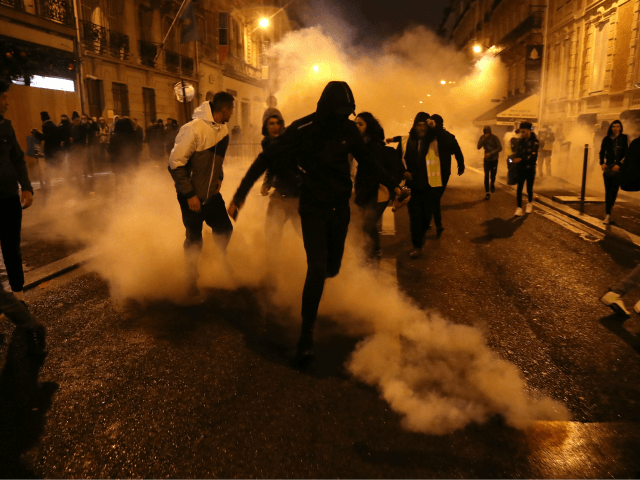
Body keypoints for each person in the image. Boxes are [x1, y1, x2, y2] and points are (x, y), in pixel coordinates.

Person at [228, 81, 405, 366]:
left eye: (349, 112)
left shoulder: (348, 130)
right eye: (341, 111)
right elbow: (266, 158)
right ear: (327, 108)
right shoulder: (302, 129)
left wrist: (395, 185)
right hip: (312, 209)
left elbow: (369, 161)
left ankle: (315, 291)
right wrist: (239, 195)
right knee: (318, 268)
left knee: (331, 269)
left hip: (339, 212)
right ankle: (305, 337)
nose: (345, 118)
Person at [169, 92, 235, 298]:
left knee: (225, 228)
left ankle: (218, 262)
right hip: (192, 197)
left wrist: (219, 177)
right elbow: (175, 165)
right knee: (194, 238)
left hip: (212, 195)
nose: (232, 113)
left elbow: (217, 161)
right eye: (231, 109)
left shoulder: (223, 130)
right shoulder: (192, 129)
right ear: (224, 110)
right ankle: (190, 278)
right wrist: (190, 195)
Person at [1, 78, 34, 307]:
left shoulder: (5, 126)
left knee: (12, 249)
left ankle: (18, 297)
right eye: (3, 97)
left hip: (9, 198)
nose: (6, 102)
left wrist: (27, 187)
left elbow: (18, 159)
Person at [354, 112, 404, 259]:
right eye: (355, 123)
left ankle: (373, 253)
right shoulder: (358, 143)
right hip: (364, 190)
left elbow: (377, 170)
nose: (356, 126)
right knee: (366, 224)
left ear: (368, 127)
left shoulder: (374, 146)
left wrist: (394, 186)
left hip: (378, 192)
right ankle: (373, 249)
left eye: (360, 124)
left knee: (367, 225)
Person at [258, 107, 302, 258]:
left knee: (306, 235)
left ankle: (320, 268)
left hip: (297, 196)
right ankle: (271, 268)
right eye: (271, 124)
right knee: (272, 232)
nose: (275, 127)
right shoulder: (267, 143)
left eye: (278, 123)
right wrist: (266, 183)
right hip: (280, 195)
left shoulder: (292, 140)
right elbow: (271, 167)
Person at [599, 120, 628, 225]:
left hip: (618, 169)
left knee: (614, 191)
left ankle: (609, 213)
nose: (615, 128)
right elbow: (602, 152)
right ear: (611, 128)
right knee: (608, 191)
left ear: (620, 128)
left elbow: (626, 153)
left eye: (617, 126)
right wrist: (602, 163)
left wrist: (619, 165)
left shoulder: (624, 138)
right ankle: (607, 214)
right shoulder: (606, 139)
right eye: (613, 126)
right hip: (608, 168)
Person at [512, 121, 539, 217]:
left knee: (529, 189)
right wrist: (511, 161)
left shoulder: (535, 142)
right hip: (520, 168)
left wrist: (521, 159)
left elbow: (533, 157)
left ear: (529, 131)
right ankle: (519, 208)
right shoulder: (519, 141)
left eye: (523, 131)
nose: (522, 134)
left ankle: (529, 203)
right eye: (521, 132)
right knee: (519, 189)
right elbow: (516, 155)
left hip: (530, 169)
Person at [31, 111, 63, 190]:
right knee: (56, 168)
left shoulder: (47, 125)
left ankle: (50, 185)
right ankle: (59, 184)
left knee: (50, 167)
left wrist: (36, 133)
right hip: (57, 151)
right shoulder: (53, 125)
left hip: (51, 151)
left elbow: (46, 137)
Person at [108, 117, 138, 188]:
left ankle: (119, 197)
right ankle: (132, 197)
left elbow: (111, 150)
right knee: (131, 182)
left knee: (119, 183)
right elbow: (136, 149)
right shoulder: (133, 136)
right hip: (130, 163)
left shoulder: (114, 137)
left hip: (117, 163)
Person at [477, 126, 502, 200]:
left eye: (487, 131)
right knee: (486, 175)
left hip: (494, 159)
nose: (486, 133)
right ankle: (487, 192)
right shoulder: (482, 137)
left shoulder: (495, 138)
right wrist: (484, 138)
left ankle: (492, 183)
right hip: (487, 160)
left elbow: (499, 148)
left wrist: (491, 153)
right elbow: (478, 146)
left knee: (493, 174)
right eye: (485, 131)